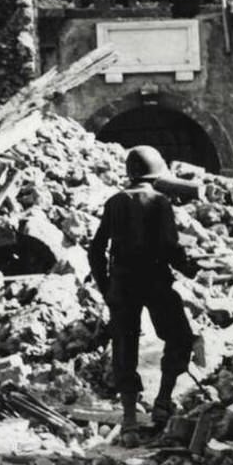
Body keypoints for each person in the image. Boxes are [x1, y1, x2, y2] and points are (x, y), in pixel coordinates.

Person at [88, 145, 197, 446]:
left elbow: (96, 249)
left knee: (125, 346)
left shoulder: (114, 202)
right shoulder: (160, 202)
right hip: (155, 282)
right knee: (179, 337)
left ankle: (129, 421)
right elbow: (170, 247)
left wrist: (105, 286)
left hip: (122, 285)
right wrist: (189, 267)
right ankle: (162, 403)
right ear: (156, 173)